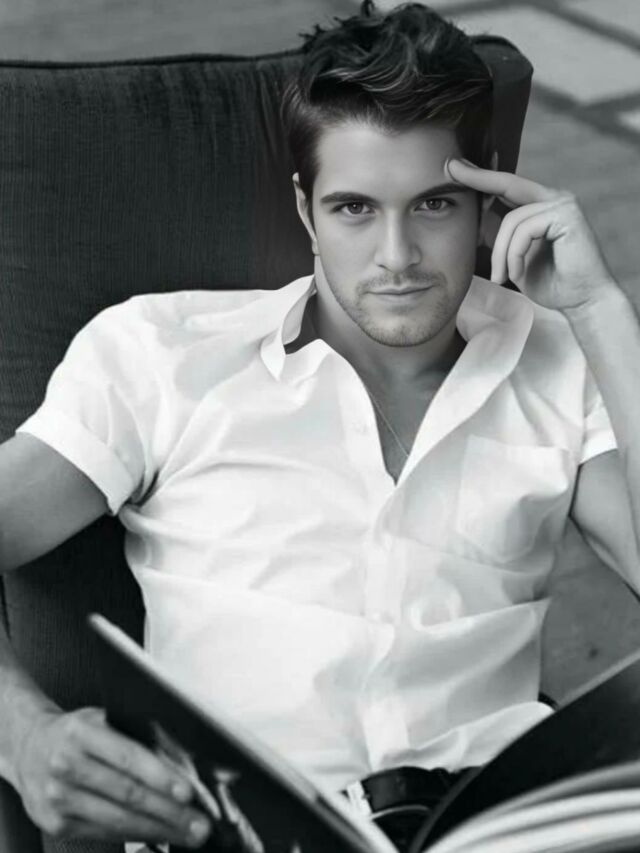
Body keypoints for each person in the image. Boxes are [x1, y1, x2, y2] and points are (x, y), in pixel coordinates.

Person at [1, 2, 639, 851]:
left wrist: (601, 312)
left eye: (435, 204)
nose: (398, 257)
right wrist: (23, 733)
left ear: (487, 198)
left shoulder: (556, 357)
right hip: (246, 831)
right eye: (355, 209)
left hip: (498, 826)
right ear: (306, 210)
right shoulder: (163, 354)